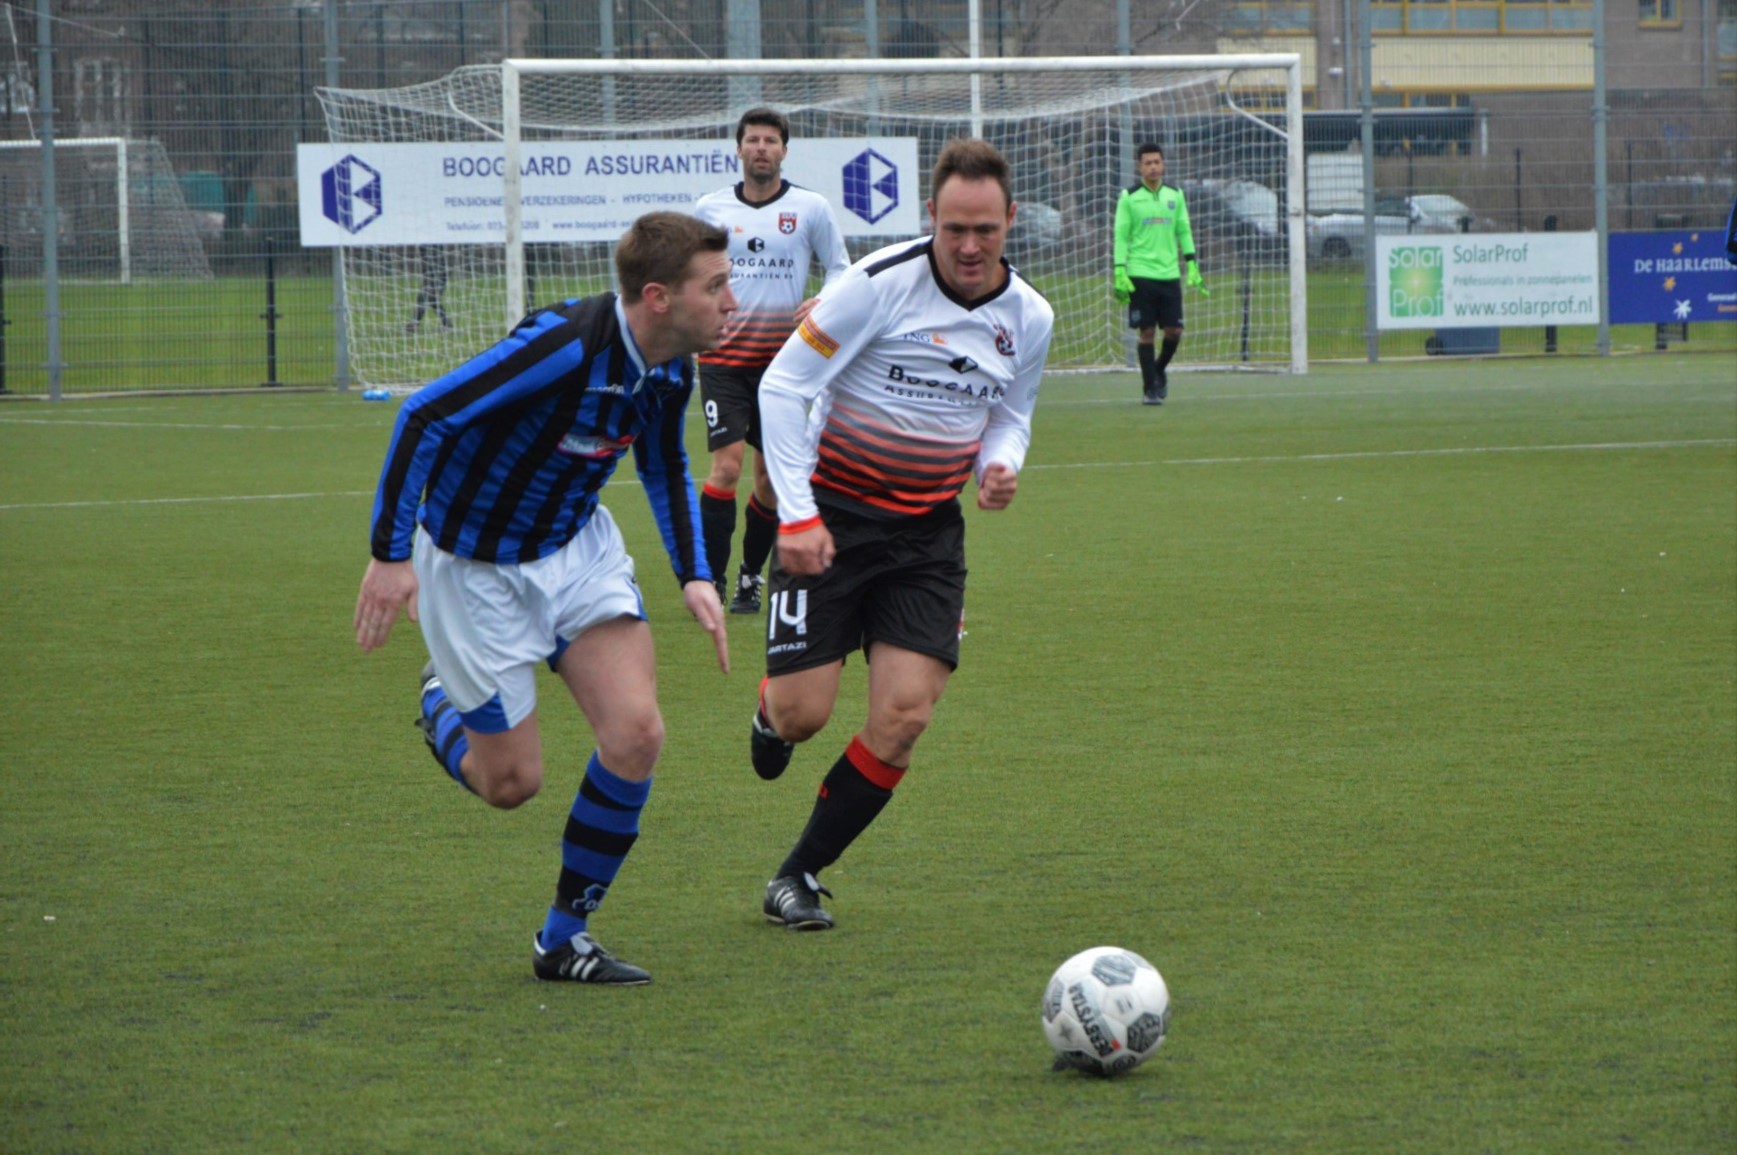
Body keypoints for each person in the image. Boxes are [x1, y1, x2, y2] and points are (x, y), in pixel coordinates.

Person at [354, 211, 735, 984]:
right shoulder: (564, 345)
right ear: (658, 297)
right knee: (510, 785)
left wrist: (695, 573)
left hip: (576, 552)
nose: (733, 302)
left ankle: (562, 939)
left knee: (636, 734)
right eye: (717, 286)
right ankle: (439, 696)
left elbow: (663, 465)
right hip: (473, 569)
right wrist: (390, 556)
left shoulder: (670, 368)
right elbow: (424, 414)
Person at [747, 139, 1054, 930]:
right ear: (930, 216)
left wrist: (1001, 462)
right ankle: (770, 712)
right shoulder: (874, 285)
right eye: (954, 228)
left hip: (925, 538)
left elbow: (1010, 414)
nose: (969, 246)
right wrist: (796, 513)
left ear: (1010, 219)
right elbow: (782, 386)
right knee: (801, 715)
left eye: (985, 229)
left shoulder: (1030, 317)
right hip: (830, 518)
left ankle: (798, 873)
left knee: (905, 716)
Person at [692, 108, 849, 616]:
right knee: (725, 468)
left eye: (771, 141)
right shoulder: (710, 209)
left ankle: (750, 576)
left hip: (785, 368)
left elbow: (840, 270)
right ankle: (711, 580)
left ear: (784, 150)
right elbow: (693, 275)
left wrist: (823, 301)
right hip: (723, 358)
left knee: (769, 481)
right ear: (738, 149)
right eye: (753, 140)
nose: (761, 148)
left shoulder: (810, 208)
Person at [1113, 142, 1202, 406]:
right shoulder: (1129, 197)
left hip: (1169, 274)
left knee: (1174, 331)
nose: (1153, 167)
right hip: (1140, 273)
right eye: (1148, 163)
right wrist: (1120, 270)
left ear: (1163, 164)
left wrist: (1192, 263)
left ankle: (1158, 368)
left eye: (1157, 162)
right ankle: (1149, 389)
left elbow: (1183, 230)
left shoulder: (1175, 195)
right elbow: (1121, 236)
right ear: (1139, 167)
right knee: (1147, 332)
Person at [406, 245, 454, 333]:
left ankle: (414, 323)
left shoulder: (435, 249)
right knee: (432, 300)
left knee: (426, 297)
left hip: (438, 275)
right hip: (430, 276)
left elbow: (442, 266)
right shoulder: (425, 248)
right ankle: (447, 324)